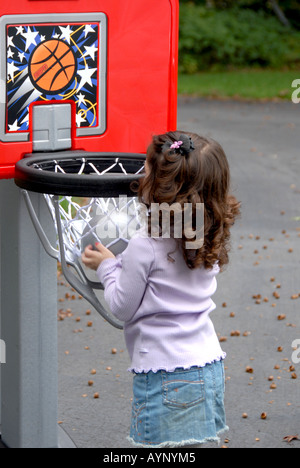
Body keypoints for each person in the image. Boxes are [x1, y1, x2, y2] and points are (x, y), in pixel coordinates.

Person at [81, 131, 241, 448]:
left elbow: (121, 306)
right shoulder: (210, 234)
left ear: (163, 188)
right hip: (209, 366)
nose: (142, 175)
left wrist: (108, 266)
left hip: (166, 374)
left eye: (149, 172)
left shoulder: (146, 245)